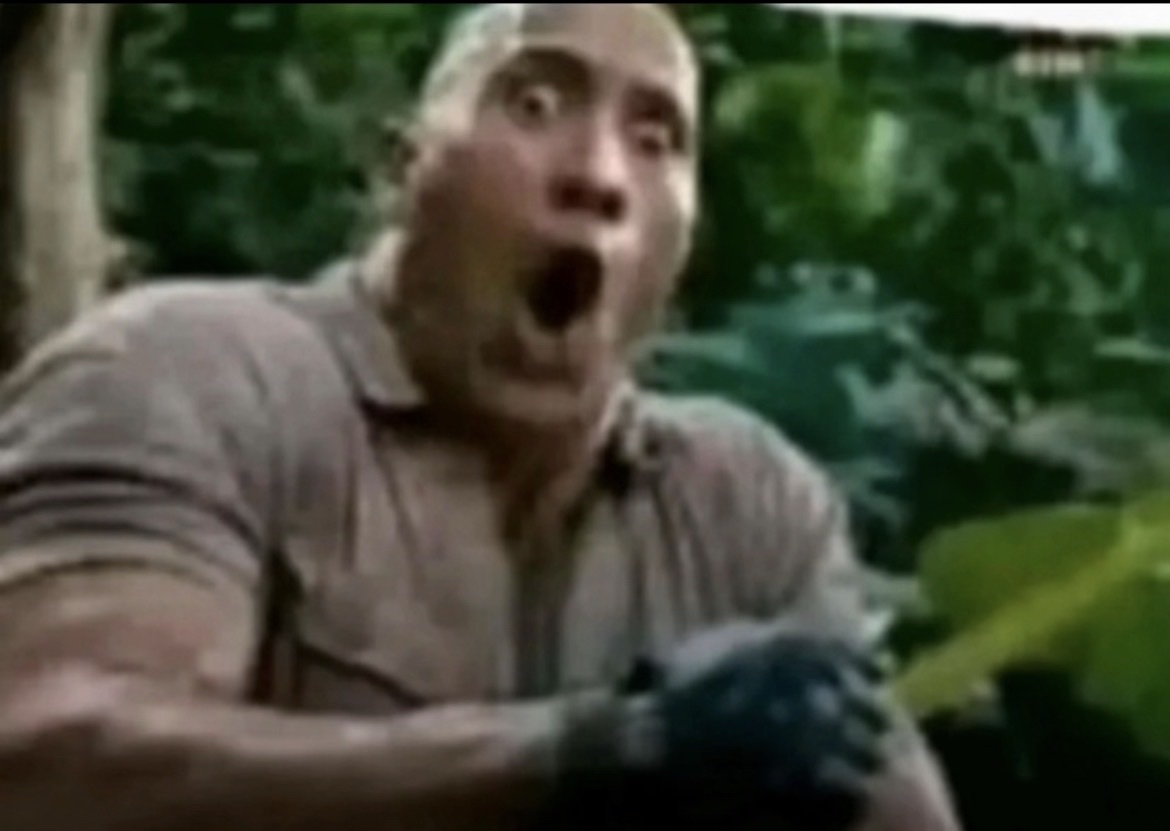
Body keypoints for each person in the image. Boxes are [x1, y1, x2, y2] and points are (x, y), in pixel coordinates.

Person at [0, 4, 961, 830]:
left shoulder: (749, 506)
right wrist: (601, 748)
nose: (599, 175)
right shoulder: (194, 371)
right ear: (400, 169)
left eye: (656, 139)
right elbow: (42, 764)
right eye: (533, 103)